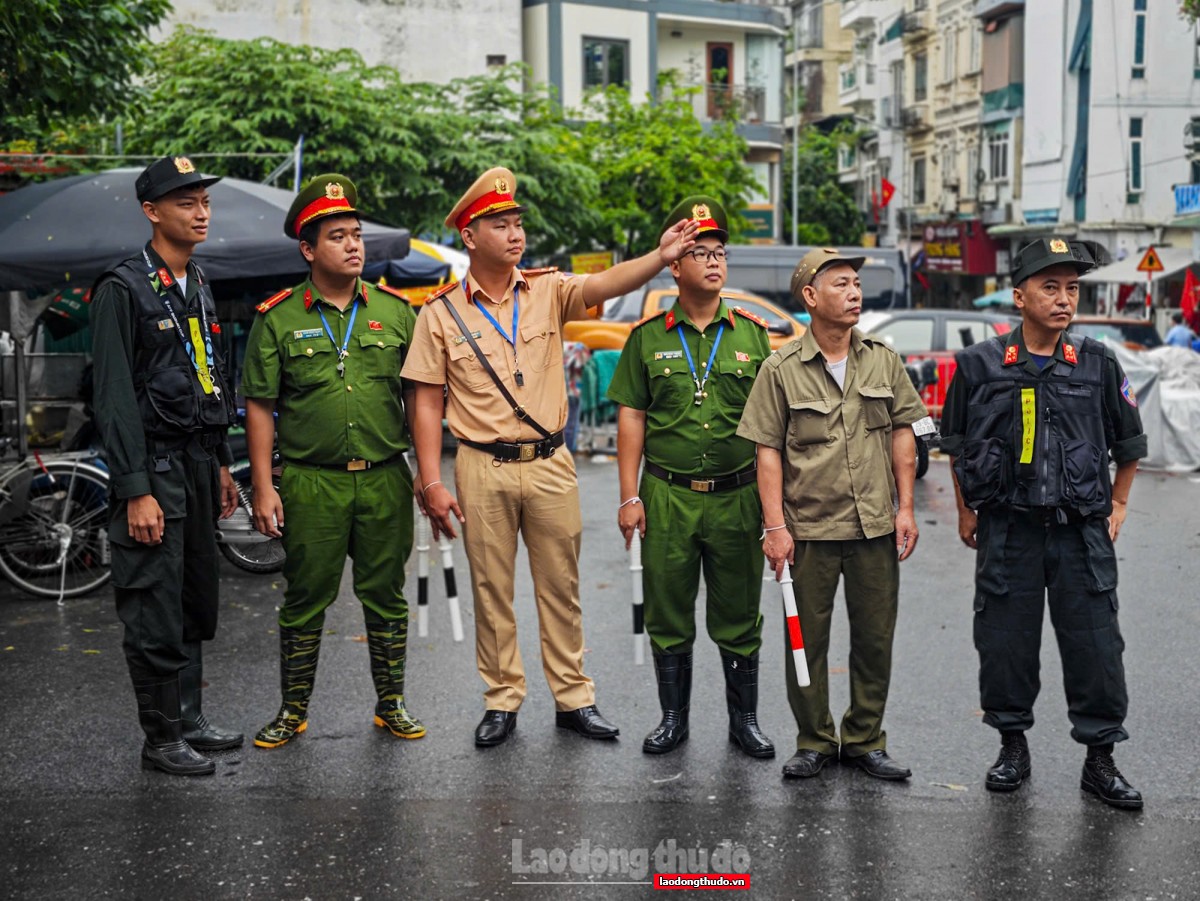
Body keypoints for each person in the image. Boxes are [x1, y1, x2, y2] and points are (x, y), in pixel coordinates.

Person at [402, 167, 699, 747]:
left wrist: (659, 257)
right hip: (481, 464)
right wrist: (431, 480)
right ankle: (502, 699)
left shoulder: (547, 290)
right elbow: (426, 401)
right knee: (491, 589)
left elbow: (605, 285)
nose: (515, 234)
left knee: (560, 587)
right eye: (499, 224)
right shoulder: (439, 313)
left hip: (550, 464)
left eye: (517, 223)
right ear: (469, 235)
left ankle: (574, 698)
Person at [940, 238, 1148, 810]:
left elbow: (1129, 441)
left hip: (1081, 530)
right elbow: (955, 445)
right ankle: (1013, 747)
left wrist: (1120, 504)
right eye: (1051, 287)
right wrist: (965, 511)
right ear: (1019, 296)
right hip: (1010, 530)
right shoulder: (979, 365)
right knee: (1005, 643)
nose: (1064, 300)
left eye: (1072, 289)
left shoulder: (1099, 362)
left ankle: (1100, 760)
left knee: (1097, 647)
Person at [241, 174, 424, 749]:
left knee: (386, 596)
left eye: (356, 234)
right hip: (310, 483)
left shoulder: (396, 313)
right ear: (308, 249)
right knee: (304, 600)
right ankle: (292, 710)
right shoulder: (277, 316)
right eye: (337, 236)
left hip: (384, 479)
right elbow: (261, 407)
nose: (353, 245)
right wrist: (265, 487)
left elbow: (421, 399)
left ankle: (390, 702)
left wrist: (430, 475)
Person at [737, 248, 927, 781]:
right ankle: (815, 739)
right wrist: (774, 527)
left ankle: (865, 739)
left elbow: (903, 432)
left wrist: (906, 508)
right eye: (840, 283)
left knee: (874, 638)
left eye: (856, 284)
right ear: (810, 297)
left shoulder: (883, 359)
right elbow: (767, 450)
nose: (854, 293)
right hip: (809, 531)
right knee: (805, 640)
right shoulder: (780, 369)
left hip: (874, 526)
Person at [606, 196, 774, 758]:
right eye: (699, 252)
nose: (713, 262)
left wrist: (777, 512)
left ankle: (743, 720)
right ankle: (672, 718)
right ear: (674, 265)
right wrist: (629, 495)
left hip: (738, 495)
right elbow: (631, 417)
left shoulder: (753, 335)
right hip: (668, 494)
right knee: (668, 612)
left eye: (719, 252)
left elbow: (774, 428)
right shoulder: (647, 337)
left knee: (739, 614)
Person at [90, 155, 240, 776]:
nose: (200, 211)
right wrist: (134, 490)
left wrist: (224, 465)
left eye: (204, 201)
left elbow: (209, 379)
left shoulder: (198, 283)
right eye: (186, 202)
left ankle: (189, 716)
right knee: (153, 606)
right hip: (153, 472)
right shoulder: (122, 288)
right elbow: (114, 398)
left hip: (199, 467)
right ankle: (160, 738)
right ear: (152, 212)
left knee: (191, 598)